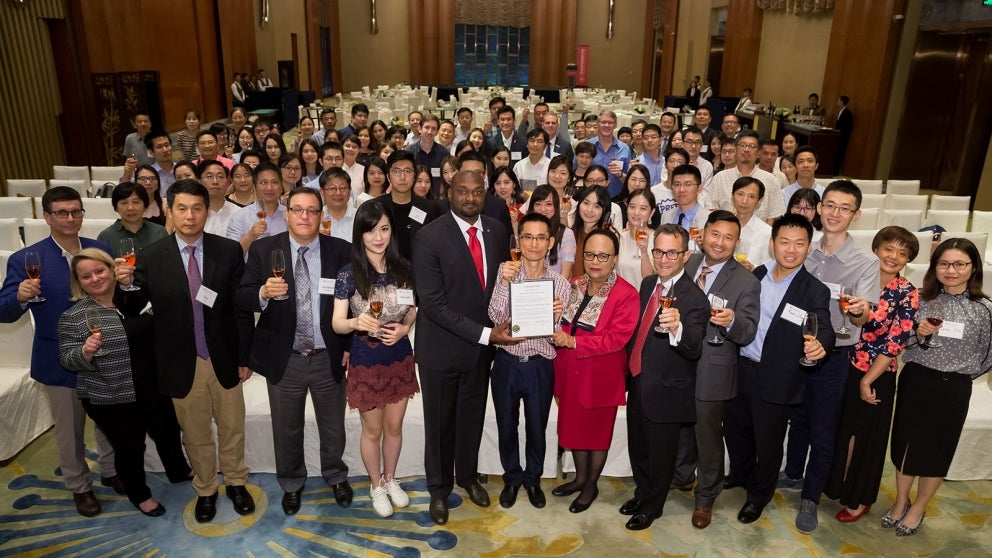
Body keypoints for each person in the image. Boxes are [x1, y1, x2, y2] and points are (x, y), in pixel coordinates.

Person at [114, 179, 255, 524]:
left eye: (197, 208)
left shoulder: (228, 251)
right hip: (181, 361)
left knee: (232, 427)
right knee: (195, 434)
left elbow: (240, 310)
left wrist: (244, 358)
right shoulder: (152, 256)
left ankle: (236, 483)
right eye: (181, 208)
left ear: (207, 211)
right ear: (169, 210)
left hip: (223, 357)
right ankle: (206, 489)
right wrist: (125, 284)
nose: (190, 216)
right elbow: (133, 308)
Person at [0, 187, 117, 517]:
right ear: (47, 217)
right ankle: (80, 487)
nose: (70, 218)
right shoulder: (26, 259)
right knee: (69, 431)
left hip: (103, 352)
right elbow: (4, 311)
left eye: (76, 212)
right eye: (62, 213)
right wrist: (20, 297)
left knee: (109, 421)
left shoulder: (99, 248)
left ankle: (111, 471)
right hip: (58, 359)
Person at [236, 186, 353, 516]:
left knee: (333, 426)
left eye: (312, 210)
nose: (304, 216)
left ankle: (335, 475)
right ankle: (291, 482)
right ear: (286, 214)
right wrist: (262, 292)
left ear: (321, 216)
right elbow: (242, 297)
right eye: (297, 209)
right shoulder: (263, 250)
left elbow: (355, 302)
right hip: (284, 359)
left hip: (327, 355)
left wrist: (349, 346)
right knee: (286, 428)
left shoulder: (340, 251)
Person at [412, 170, 514, 525]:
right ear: (449, 192)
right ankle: (439, 490)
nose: (470, 198)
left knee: (471, 417)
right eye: (462, 191)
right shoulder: (428, 237)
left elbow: (500, 285)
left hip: (481, 350)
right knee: (440, 423)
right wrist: (488, 335)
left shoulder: (497, 230)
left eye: (476, 192)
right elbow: (434, 305)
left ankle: (468, 477)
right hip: (441, 349)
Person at [723, 214, 835, 525]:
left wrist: (821, 344)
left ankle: (758, 496)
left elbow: (823, 325)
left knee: (768, 443)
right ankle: (740, 475)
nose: (791, 249)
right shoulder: (755, 275)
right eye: (784, 242)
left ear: (808, 248)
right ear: (772, 244)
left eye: (800, 244)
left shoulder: (814, 290)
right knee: (736, 431)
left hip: (776, 378)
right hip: (739, 368)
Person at [784, 181, 879, 535]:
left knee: (824, 429)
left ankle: (811, 497)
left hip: (835, 354)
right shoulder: (803, 249)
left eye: (845, 208)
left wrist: (857, 310)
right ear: (820, 208)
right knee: (797, 417)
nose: (836, 213)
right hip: (795, 348)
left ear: (855, 215)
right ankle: (793, 473)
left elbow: (862, 318)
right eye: (831, 205)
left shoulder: (864, 262)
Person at [885, 238, 992, 536]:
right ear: (935, 267)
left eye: (960, 264)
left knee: (937, 450)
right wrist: (917, 333)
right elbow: (898, 341)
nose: (951, 270)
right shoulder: (920, 298)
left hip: (953, 388)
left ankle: (918, 508)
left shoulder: (984, 309)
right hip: (916, 379)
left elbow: (987, 355)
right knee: (905, 444)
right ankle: (901, 501)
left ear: (973, 268)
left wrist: (957, 376)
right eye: (944, 263)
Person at [57, 248, 171, 517]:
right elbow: (66, 359)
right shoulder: (74, 316)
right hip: (108, 395)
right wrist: (85, 352)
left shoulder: (137, 299)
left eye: (100, 271)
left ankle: (178, 470)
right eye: (86, 277)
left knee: (166, 431)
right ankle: (140, 495)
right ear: (78, 282)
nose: (95, 279)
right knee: (129, 446)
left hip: (149, 387)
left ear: (112, 269)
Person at [671, 212, 762, 530]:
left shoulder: (746, 280)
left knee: (707, 437)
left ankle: (706, 496)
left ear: (737, 242)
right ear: (703, 234)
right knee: (680, 426)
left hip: (712, 370)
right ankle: (681, 476)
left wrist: (732, 321)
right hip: (679, 361)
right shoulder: (688, 263)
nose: (720, 242)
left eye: (728, 237)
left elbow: (749, 331)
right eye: (715, 234)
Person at [824, 226, 919, 523]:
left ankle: (858, 499)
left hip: (877, 373)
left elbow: (895, 343)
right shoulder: (859, 277)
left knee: (864, 438)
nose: (894, 256)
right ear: (877, 249)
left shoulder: (907, 293)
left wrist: (867, 380)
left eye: (902, 253)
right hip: (845, 364)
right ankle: (837, 487)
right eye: (889, 249)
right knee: (843, 432)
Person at [330, 200, 418, 517]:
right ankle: (376, 484)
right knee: (373, 430)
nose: (378, 237)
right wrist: (356, 322)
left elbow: (412, 308)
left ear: (392, 231)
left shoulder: (403, 268)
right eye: (370, 230)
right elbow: (337, 322)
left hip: (399, 355)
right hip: (366, 358)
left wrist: (405, 328)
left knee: (394, 427)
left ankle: (391, 479)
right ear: (360, 234)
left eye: (384, 229)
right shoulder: (348, 273)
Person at [622, 224, 710, 530]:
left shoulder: (695, 299)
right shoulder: (648, 284)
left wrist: (678, 328)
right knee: (639, 449)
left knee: (661, 457)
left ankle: (653, 506)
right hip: (638, 381)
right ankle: (642, 492)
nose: (663, 258)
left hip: (667, 391)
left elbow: (695, 347)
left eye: (672, 252)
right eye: (658, 251)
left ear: (686, 255)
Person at [551, 228, 639, 513]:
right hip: (568, 372)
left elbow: (616, 338)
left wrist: (574, 341)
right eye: (589, 254)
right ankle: (579, 478)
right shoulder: (574, 284)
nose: (595, 260)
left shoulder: (626, 294)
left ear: (614, 258)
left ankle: (590, 485)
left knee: (597, 434)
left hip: (600, 376)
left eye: (603, 255)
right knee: (574, 429)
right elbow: (562, 323)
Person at [488, 213, 571, 509]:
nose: (534, 244)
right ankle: (512, 478)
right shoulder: (505, 271)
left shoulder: (560, 284)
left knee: (537, 426)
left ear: (550, 243)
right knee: (506, 425)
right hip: (507, 362)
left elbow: (555, 337)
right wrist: (502, 284)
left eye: (540, 238)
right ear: (519, 241)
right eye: (528, 237)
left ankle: (533, 479)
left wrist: (554, 318)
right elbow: (496, 319)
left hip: (540, 364)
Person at [706, 130, 784, 224]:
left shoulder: (771, 180)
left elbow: (773, 216)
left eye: (752, 146)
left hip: (758, 236)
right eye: (743, 145)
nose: (746, 149)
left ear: (758, 152)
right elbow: (711, 209)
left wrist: (763, 236)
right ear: (735, 148)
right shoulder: (720, 178)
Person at [376, 150, 440, 260]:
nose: (402, 177)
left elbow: (436, 246)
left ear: (414, 176)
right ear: (388, 177)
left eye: (407, 171)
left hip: (419, 271)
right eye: (396, 171)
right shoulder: (376, 207)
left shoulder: (428, 208)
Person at [227, 161, 288, 255]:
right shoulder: (240, 217)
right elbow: (231, 256)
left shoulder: (290, 215)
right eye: (263, 183)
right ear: (254, 187)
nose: (269, 187)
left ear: (281, 187)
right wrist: (250, 236)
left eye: (274, 182)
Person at [98, 182, 169, 256]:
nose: (130, 208)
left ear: (145, 205)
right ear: (116, 208)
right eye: (124, 203)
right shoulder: (106, 237)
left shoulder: (159, 232)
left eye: (135, 202)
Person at [527, 184, 576, 278]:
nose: (542, 209)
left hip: (556, 290)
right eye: (538, 204)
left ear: (556, 206)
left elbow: (565, 275)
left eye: (548, 204)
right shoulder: (526, 232)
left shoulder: (566, 234)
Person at [586, 110, 631, 199]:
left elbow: (629, 179)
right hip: (591, 197)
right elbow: (577, 171)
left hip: (617, 197)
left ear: (615, 125)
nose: (606, 125)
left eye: (610, 123)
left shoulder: (624, 149)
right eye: (603, 122)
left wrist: (620, 174)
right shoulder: (587, 146)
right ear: (598, 124)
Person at [615, 188, 656, 287]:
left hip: (643, 298)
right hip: (621, 298)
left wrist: (644, 252)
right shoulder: (619, 237)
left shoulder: (657, 239)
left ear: (652, 212)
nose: (636, 212)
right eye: (632, 207)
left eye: (643, 208)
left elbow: (650, 279)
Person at [569, 185, 612, 278]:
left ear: (605, 211)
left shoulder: (609, 238)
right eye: (586, 203)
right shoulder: (570, 233)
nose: (589, 210)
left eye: (596, 206)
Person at [731, 176, 773, 270]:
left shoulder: (767, 232)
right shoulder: (723, 226)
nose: (744, 201)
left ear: (759, 201)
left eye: (751, 196)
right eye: (740, 194)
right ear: (732, 195)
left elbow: (770, 268)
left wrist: (753, 268)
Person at [404, 114, 448, 198]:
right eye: (427, 127)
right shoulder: (409, 152)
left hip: (436, 200)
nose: (429, 132)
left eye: (433, 129)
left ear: (437, 132)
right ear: (420, 129)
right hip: (413, 199)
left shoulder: (444, 153)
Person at [199, 160, 240, 236]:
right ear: (199, 181)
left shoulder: (238, 213)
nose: (215, 181)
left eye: (220, 177)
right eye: (209, 177)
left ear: (227, 182)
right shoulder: (192, 214)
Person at [145, 130, 177, 197]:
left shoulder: (180, 168)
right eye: (159, 147)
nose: (165, 150)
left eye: (167, 145)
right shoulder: (148, 174)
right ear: (151, 152)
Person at [834, 96, 853, 174]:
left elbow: (848, 127)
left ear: (842, 102)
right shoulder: (840, 111)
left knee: (839, 155)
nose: (837, 102)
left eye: (838, 100)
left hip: (842, 138)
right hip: (838, 137)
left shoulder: (847, 113)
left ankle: (836, 172)